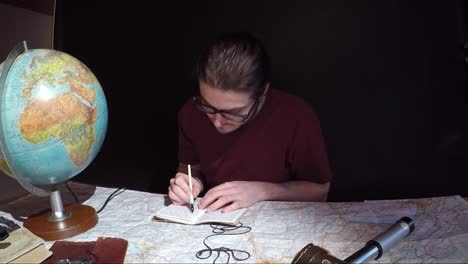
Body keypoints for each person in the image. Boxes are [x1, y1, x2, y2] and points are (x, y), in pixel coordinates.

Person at [168, 32, 332, 213]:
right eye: (208, 106)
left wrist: (261, 190)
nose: (217, 122)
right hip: (220, 218)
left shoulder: (296, 116)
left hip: (277, 219)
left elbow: (320, 190)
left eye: (233, 113)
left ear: (262, 92)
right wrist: (187, 184)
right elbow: (191, 168)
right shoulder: (191, 112)